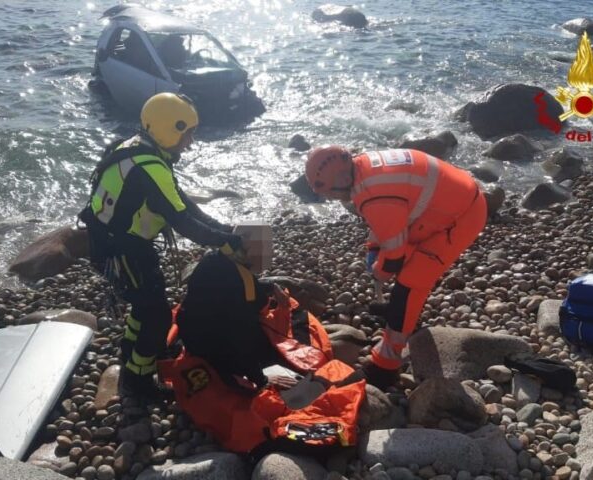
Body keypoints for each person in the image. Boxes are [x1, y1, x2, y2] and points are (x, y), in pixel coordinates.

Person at [79, 92, 244, 400]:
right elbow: (183, 222)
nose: (191, 141)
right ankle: (138, 382)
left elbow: (181, 203)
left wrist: (225, 231)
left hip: (114, 243)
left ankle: (131, 348)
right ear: (170, 129)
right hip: (122, 251)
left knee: (146, 304)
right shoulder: (149, 168)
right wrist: (226, 243)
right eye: (187, 133)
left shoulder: (138, 149)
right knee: (157, 315)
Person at [304, 146, 487, 389]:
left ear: (342, 180)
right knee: (406, 264)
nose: (333, 199)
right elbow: (391, 214)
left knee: (410, 283)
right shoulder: (364, 167)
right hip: (449, 198)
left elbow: (393, 257)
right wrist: (373, 246)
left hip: (461, 217)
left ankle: (385, 365)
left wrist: (380, 272)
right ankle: (404, 316)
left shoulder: (371, 194)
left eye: (331, 193)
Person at [175, 250, 301, 391]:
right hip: (209, 346)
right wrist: (261, 379)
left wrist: (272, 286)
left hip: (189, 331)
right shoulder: (241, 286)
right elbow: (239, 336)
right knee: (257, 342)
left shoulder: (213, 259)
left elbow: (242, 284)